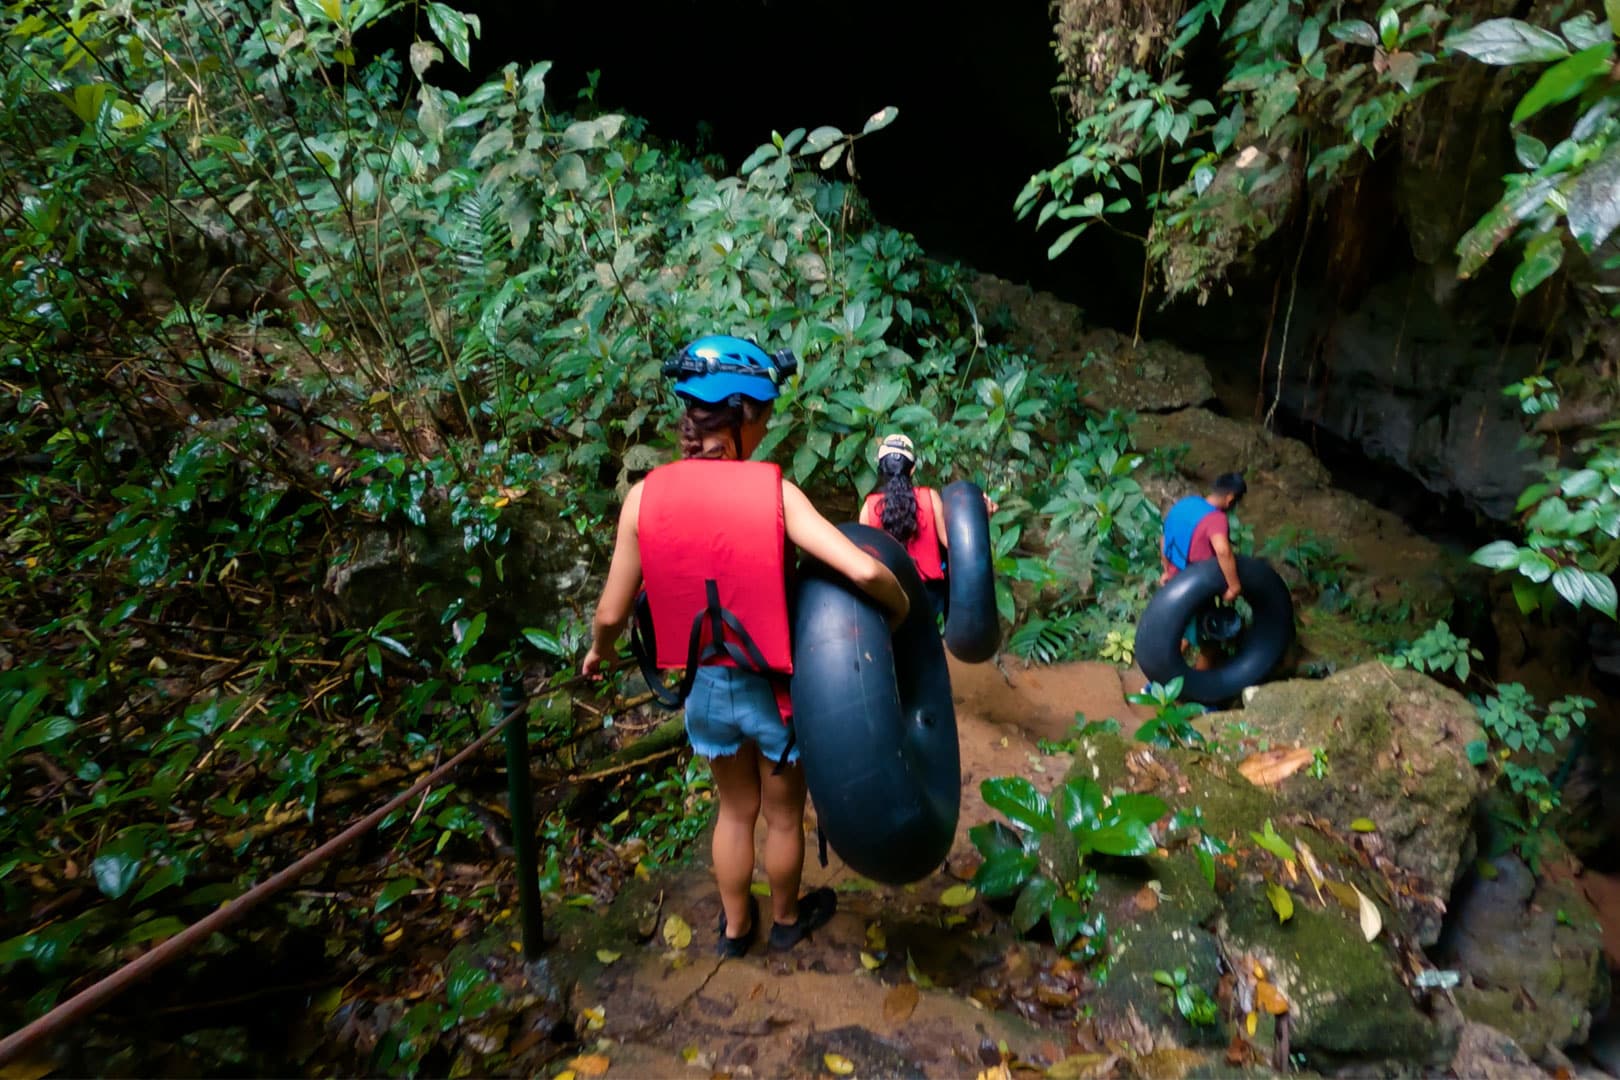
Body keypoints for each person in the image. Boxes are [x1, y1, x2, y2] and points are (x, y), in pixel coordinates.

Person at [582, 335, 910, 958]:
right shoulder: (776, 496)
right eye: (763, 415)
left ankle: (735, 930)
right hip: (775, 694)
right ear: (745, 416)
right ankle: (785, 919)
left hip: (705, 689)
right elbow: (864, 572)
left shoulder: (643, 498)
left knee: (735, 812)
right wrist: (902, 612)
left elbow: (610, 612)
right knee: (783, 815)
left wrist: (599, 652)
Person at [858, 434, 996, 619]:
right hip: (929, 596)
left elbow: (865, 559)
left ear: (881, 469)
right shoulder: (929, 497)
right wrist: (979, 515)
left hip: (889, 594)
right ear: (913, 469)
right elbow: (953, 544)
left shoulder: (869, 507)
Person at [1158, 472, 1247, 670]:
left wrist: (1166, 570)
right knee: (1210, 644)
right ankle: (1197, 693)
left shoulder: (1187, 503)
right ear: (1230, 498)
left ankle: (1163, 671)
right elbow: (1223, 550)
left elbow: (1164, 539)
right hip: (1195, 589)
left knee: (1182, 627)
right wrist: (1234, 586)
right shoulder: (1216, 519)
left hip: (1175, 581)